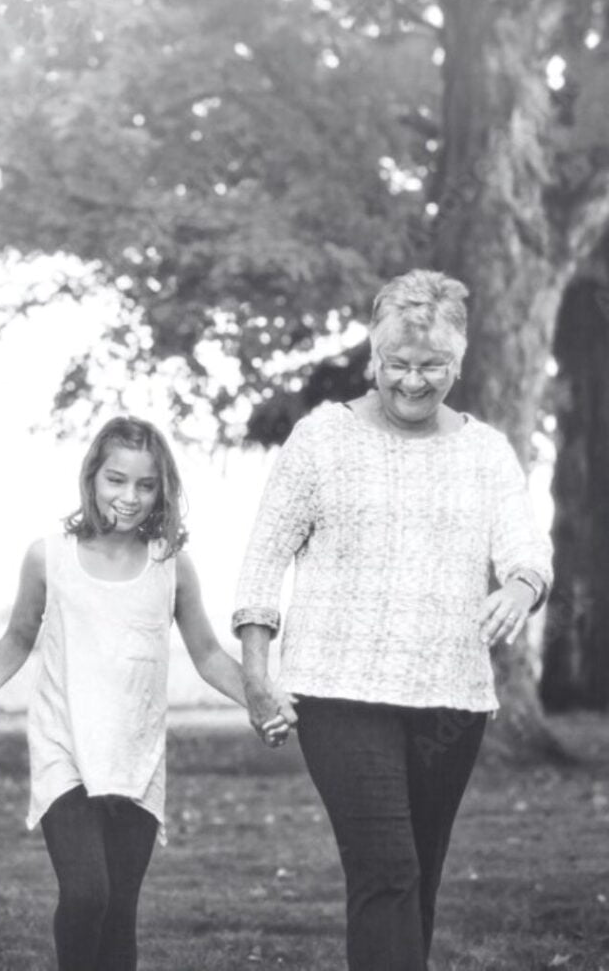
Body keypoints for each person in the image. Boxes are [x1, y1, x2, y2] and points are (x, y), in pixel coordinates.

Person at [233, 269, 553, 971]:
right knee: (388, 870)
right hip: (338, 691)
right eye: (397, 364)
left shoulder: (486, 452)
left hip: (449, 700)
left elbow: (527, 548)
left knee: (417, 882)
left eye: (431, 366)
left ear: (458, 362)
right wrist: (256, 674)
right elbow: (263, 560)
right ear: (373, 358)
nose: (412, 381)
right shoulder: (323, 439)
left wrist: (521, 587)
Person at [0, 415, 269, 971]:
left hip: (137, 758)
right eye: (116, 480)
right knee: (87, 894)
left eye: (145, 485)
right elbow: (17, 638)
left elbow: (208, 654)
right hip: (65, 751)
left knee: (119, 912)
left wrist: (259, 699)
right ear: (92, 476)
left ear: (162, 490)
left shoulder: (171, 565)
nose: (129, 497)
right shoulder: (49, 556)